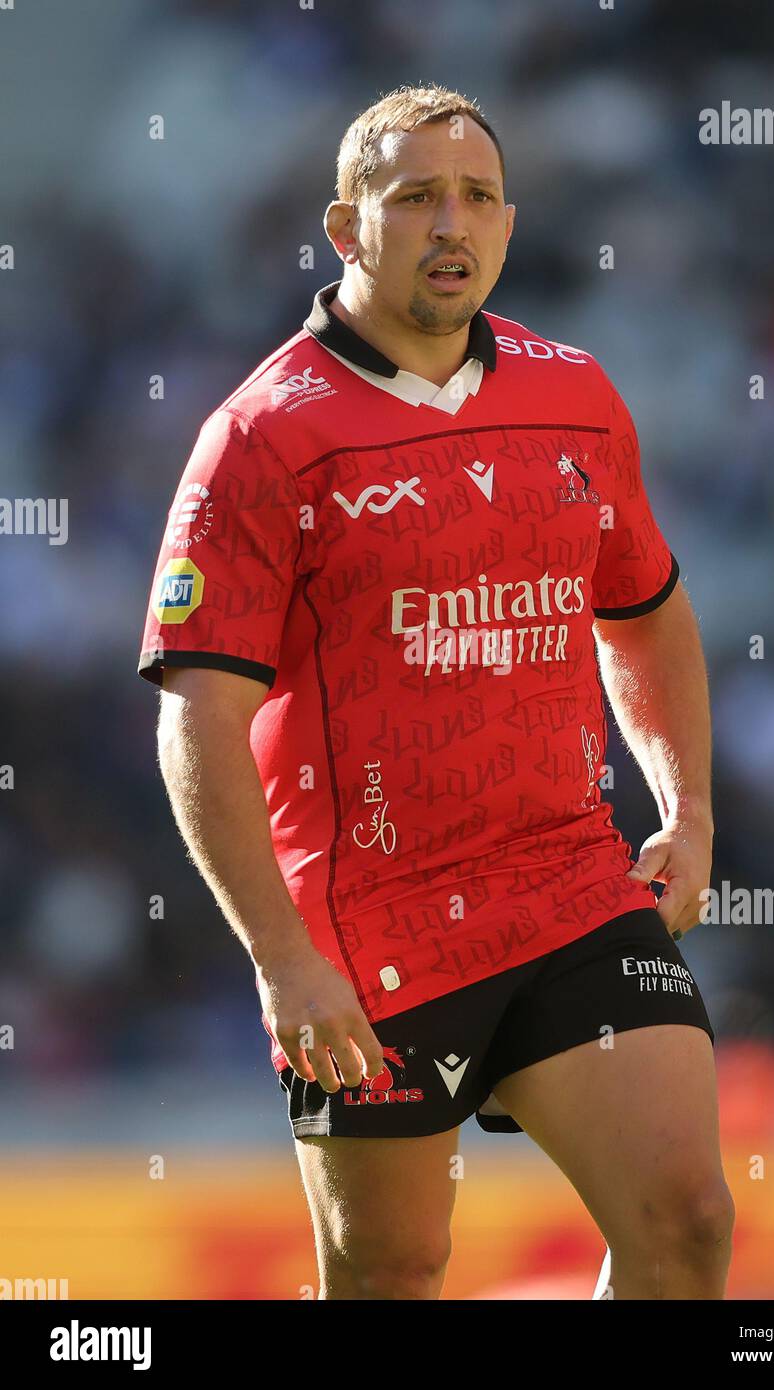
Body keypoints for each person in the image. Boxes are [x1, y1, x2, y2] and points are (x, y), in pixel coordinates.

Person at [137, 83, 734, 1300]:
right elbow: (195, 713)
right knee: (392, 1272)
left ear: (508, 228)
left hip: (569, 881)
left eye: (473, 198)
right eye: (413, 198)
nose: (448, 223)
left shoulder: (576, 394)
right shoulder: (262, 436)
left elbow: (646, 606)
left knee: (686, 1221)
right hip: (370, 933)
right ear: (346, 227)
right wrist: (283, 960)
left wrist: (688, 806)